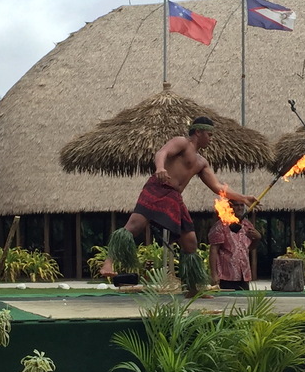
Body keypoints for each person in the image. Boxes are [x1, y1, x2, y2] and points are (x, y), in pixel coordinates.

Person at [100, 116, 257, 297]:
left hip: (175, 197)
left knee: (190, 242)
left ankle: (192, 288)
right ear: (198, 132)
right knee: (134, 225)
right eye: (209, 134)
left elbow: (218, 187)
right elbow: (161, 152)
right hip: (158, 188)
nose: (211, 138)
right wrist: (160, 168)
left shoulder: (201, 162)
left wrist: (243, 197)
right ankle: (108, 262)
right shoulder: (182, 142)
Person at [208, 200, 261, 290]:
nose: (239, 208)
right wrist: (214, 274)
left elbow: (249, 248)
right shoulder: (220, 226)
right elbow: (213, 250)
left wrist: (258, 238)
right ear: (230, 207)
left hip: (243, 275)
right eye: (236, 205)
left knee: (244, 303)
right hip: (226, 276)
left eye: (241, 205)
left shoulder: (247, 224)